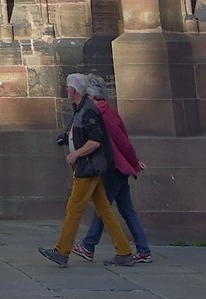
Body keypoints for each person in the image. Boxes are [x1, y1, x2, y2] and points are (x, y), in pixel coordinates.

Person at [39, 74, 140, 266]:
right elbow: (81, 133)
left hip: (88, 166)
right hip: (89, 165)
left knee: (74, 208)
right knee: (104, 209)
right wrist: (66, 138)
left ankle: (61, 251)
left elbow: (95, 141)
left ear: (74, 90)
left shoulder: (88, 110)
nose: (66, 90)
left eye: (67, 87)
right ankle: (124, 252)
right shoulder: (81, 109)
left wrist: (75, 154)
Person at [75, 77, 152, 262]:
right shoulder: (107, 113)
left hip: (114, 167)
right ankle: (143, 250)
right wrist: (133, 162)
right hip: (118, 167)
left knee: (104, 208)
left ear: (92, 97)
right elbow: (123, 142)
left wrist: (133, 162)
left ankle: (88, 246)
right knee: (125, 210)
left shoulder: (102, 115)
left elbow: (122, 143)